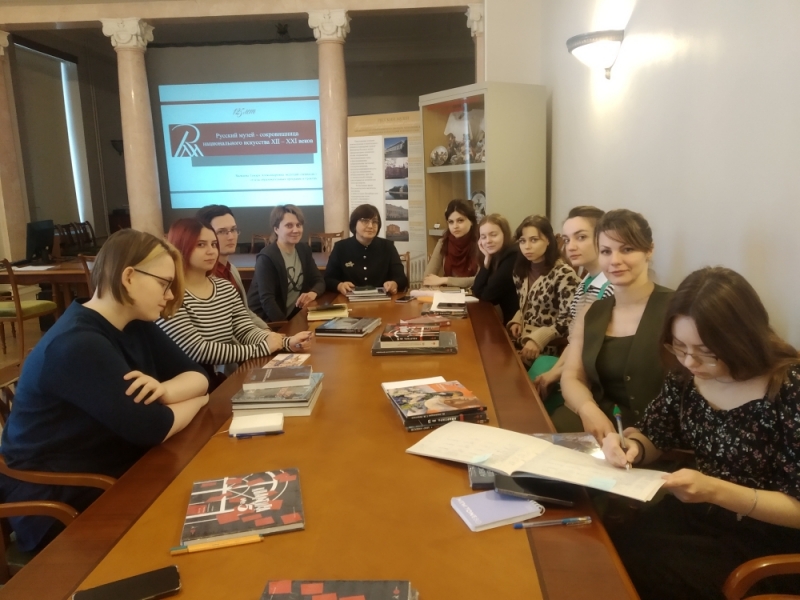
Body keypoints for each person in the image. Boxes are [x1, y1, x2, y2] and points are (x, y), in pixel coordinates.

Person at [0, 229, 210, 553]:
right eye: (164, 284)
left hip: (115, 472)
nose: (169, 296)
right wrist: (198, 399)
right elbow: (153, 427)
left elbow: (198, 375)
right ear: (129, 277)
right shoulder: (77, 343)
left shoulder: (136, 322)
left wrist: (166, 391)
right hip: (62, 500)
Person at [602, 267, 800, 600]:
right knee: (610, 547)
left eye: (706, 350)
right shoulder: (686, 376)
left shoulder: (789, 389)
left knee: (653, 572)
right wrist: (632, 446)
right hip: (703, 512)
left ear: (742, 339)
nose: (690, 361)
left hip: (770, 535)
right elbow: (656, 433)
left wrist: (716, 491)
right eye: (679, 346)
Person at [559, 209, 673, 437]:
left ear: (649, 250)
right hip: (596, 425)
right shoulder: (592, 312)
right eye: (606, 251)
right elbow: (572, 376)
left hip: (656, 435)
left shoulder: (675, 308)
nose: (615, 261)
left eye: (627, 249)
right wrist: (588, 409)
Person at [157, 218, 312, 368]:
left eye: (214, 244)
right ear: (180, 247)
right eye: (200, 245)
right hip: (186, 379)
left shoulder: (224, 287)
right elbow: (198, 350)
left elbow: (245, 330)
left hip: (221, 376)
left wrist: (286, 342)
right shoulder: (169, 295)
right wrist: (264, 348)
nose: (211, 251)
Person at [530, 206, 615, 413]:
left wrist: (555, 374)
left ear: (602, 238)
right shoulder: (586, 281)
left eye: (581, 237)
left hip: (592, 377)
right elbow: (575, 340)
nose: (571, 247)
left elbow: (589, 350)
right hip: (572, 361)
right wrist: (555, 370)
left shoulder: (610, 288)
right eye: (567, 240)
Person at [507, 215, 581, 366]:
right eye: (522, 241)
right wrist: (517, 319)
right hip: (521, 344)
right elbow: (526, 304)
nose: (527, 246)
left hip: (547, 350)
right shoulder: (520, 271)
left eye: (534, 240)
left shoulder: (563, 273)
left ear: (548, 240)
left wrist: (539, 338)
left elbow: (569, 318)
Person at [247, 205, 325, 322]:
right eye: (289, 225)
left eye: (298, 225)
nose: (296, 230)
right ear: (276, 229)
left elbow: (319, 281)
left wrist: (313, 293)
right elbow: (267, 300)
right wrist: (285, 327)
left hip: (290, 317)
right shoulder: (266, 257)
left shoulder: (304, 250)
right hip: (265, 322)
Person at [196, 204, 268, 328]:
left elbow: (245, 313)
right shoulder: (203, 277)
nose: (231, 237)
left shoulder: (232, 269)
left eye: (233, 229)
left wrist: (269, 332)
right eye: (221, 231)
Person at [324, 204, 408, 295]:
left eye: (375, 222)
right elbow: (328, 279)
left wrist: (394, 283)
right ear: (354, 224)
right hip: (349, 299)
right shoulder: (340, 247)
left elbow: (402, 278)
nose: (371, 226)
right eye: (365, 221)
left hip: (381, 300)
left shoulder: (388, 246)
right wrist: (339, 285)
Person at [423, 199, 480, 288]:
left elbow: (480, 280)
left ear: (471, 221)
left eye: (460, 220)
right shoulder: (443, 242)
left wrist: (445, 280)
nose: (455, 226)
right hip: (448, 294)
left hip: (474, 294)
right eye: (451, 222)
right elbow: (427, 278)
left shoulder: (481, 243)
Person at [471, 213, 517, 324]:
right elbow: (476, 291)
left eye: (493, 235)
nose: (488, 241)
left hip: (517, 324)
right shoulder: (495, 256)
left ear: (505, 234)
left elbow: (488, 296)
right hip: (509, 321)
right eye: (483, 237)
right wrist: (487, 261)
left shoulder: (513, 256)